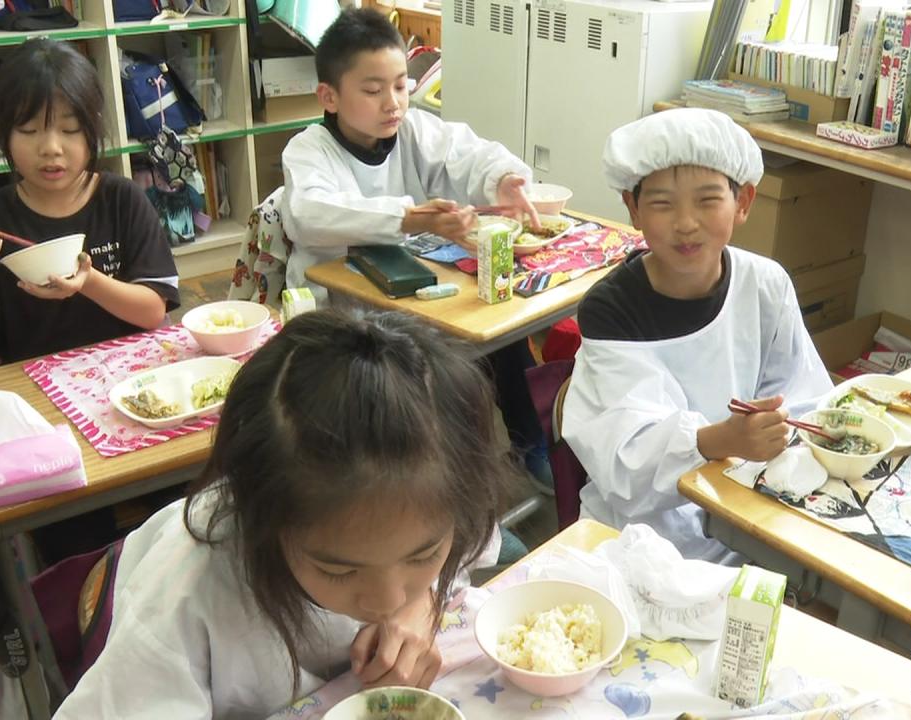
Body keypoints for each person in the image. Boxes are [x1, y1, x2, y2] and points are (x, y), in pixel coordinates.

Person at [56, 309, 514, 718]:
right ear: (261, 521)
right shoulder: (190, 589)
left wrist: (423, 603)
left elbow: (463, 554)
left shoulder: (445, 498)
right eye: (338, 569)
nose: (387, 600)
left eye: (422, 555)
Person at [279, 7, 548, 484]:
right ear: (330, 96)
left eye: (401, 85)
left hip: (417, 300)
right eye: (372, 89)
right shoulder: (308, 151)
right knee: (434, 378)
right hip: (344, 318)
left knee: (502, 336)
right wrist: (406, 217)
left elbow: (471, 153)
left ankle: (534, 450)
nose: (393, 103)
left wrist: (502, 180)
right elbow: (308, 214)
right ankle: (442, 482)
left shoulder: (414, 131)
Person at [561, 108, 834, 561]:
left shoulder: (765, 285)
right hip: (637, 540)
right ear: (632, 207)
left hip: (744, 517)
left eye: (708, 200)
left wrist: (774, 436)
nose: (685, 223)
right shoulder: (611, 311)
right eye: (663, 203)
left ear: (743, 202)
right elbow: (625, 466)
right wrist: (722, 440)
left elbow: (802, 400)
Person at [0, 38, 179, 363]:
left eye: (69, 129)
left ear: (92, 129)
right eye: (29, 131)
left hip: (125, 370)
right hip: (29, 379)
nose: (51, 148)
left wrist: (87, 282)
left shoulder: (121, 199)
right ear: (4, 135)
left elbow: (153, 312)